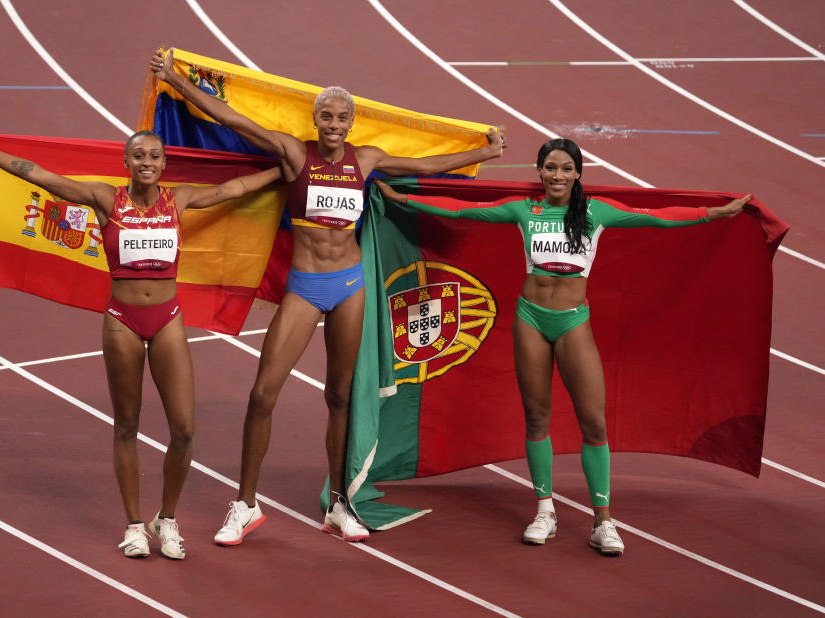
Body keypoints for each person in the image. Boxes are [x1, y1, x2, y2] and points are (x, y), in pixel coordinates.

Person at [150, 48, 505, 544]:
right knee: (262, 394)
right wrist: (176, 81)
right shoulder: (295, 153)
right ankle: (244, 505)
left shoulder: (369, 160)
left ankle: (339, 502)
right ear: (315, 120)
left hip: (350, 286)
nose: (333, 124)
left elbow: (429, 164)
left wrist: (483, 154)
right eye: (325, 116)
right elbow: (231, 117)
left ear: (352, 122)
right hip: (305, 287)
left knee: (339, 395)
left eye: (341, 117)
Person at [374, 138, 749, 556]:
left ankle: (603, 522)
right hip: (530, 319)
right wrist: (402, 199)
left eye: (566, 168)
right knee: (536, 417)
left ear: (577, 174)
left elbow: (658, 220)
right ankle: (544, 511)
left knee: (594, 423)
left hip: (573, 323)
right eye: (550, 168)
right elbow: (462, 210)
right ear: (539, 171)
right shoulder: (523, 209)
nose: (557, 176)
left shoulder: (597, 212)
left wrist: (712, 213)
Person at [0, 129, 280, 559]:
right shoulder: (107, 199)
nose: (147, 161)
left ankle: (168, 518)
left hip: (168, 320)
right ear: (127, 162)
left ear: (164, 165)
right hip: (122, 321)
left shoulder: (177, 200)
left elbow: (233, 188)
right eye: (139, 154)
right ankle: (134, 525)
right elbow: (39, 176)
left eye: (155, 156)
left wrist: (281, 172)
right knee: (127, 425)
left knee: (184, 429)